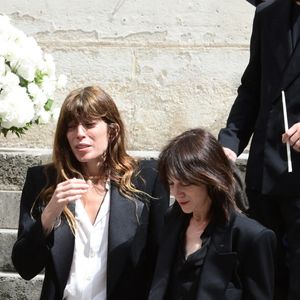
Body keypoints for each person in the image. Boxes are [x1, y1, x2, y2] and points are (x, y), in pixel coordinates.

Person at [11, 86, 169, 300]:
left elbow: (161, 261)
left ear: (112, 131)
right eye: (71, 127)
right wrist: (48, 216)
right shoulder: (44, 180)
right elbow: (25, 267)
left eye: (89, 124)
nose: (79, 134)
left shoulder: (146, 178)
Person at [218, 0, 300, 299]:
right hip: (265, 175)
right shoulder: (268, 13)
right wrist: (229, 143)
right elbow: (252, 87)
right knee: (262, 278)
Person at [149, 128, 276, 300]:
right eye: (171, 183)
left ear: (210, 179)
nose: (176, 192)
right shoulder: (172, 221)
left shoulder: (252, 237)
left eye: (185, 183)